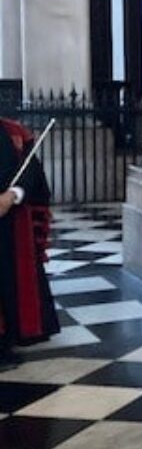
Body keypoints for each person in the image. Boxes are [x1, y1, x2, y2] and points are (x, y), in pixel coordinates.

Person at [0, 118, 57, 368]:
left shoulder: (14, 132)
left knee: (10, 278)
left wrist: (12, 196)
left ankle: (10, 335)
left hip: (10, 221)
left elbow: (32, 171)